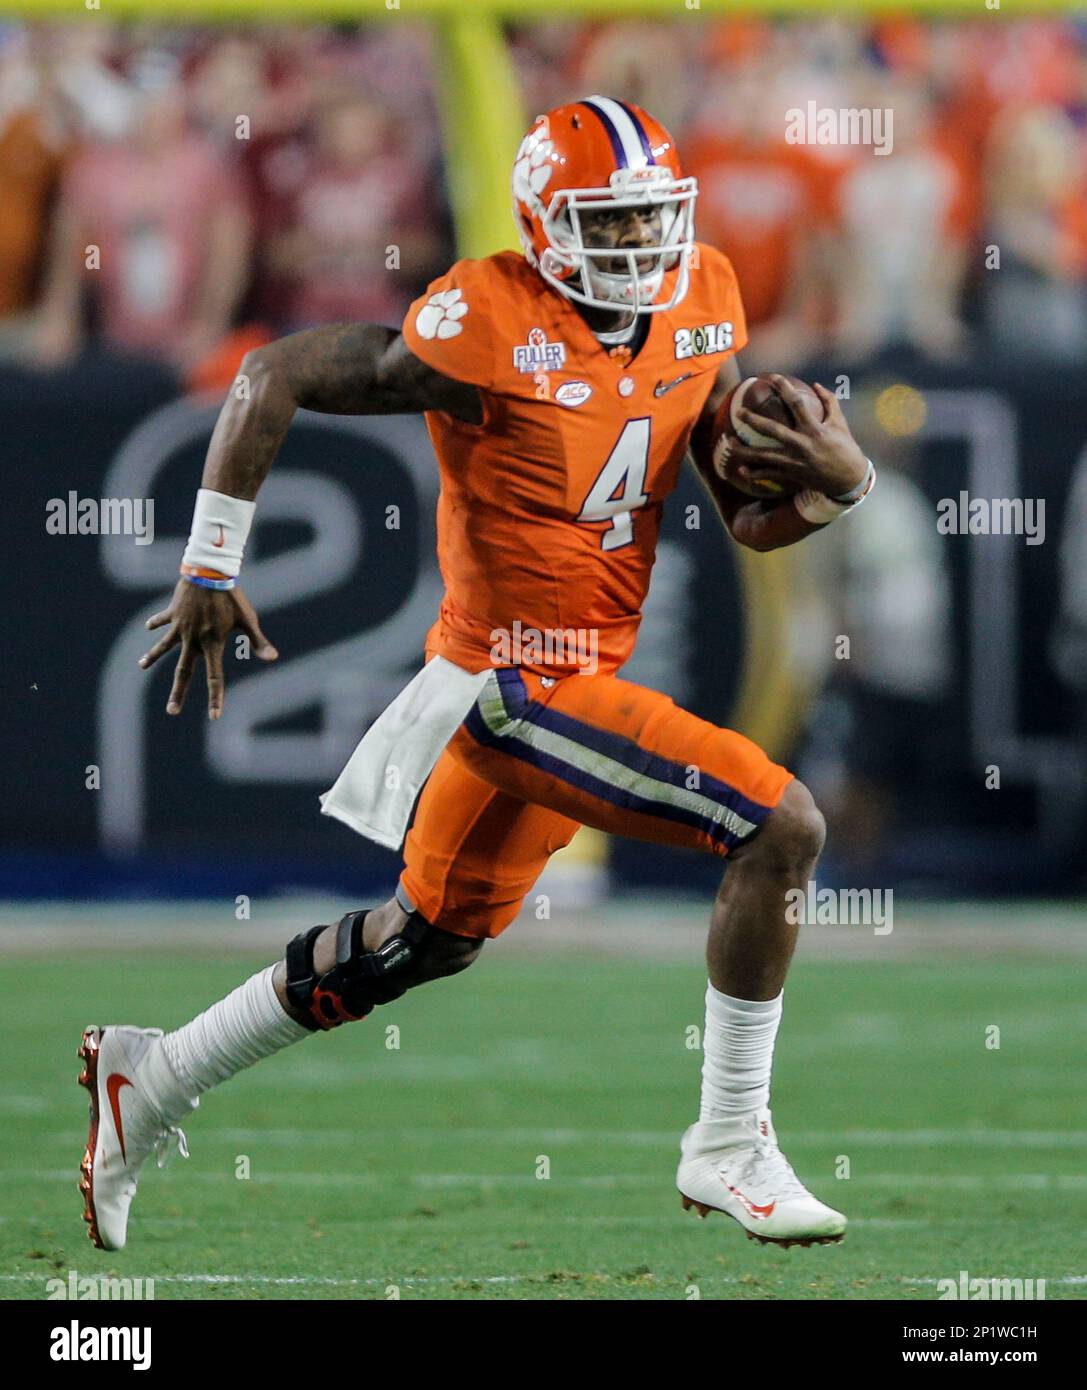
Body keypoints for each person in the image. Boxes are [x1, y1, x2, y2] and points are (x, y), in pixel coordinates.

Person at [78, 96, 875, 1253]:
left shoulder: (699, 298)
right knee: (779, 826)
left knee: (421, 941)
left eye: (653, 218)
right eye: (611, 225)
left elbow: (745, 518)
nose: (642, 247)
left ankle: (152, 1076)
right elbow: (274, 371)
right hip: (505, 680)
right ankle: (730, 1139)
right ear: (547, 226)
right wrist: (209, 560)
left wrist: (839, 482)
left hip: (574, 675)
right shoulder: (489, 314)